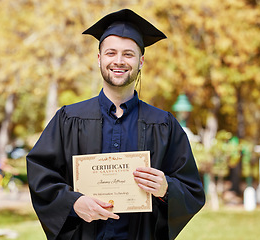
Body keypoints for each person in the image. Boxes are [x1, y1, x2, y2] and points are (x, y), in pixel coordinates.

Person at [26, 9, 205, 240]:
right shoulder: (68, 119)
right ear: (99, 58)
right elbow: (41, 175)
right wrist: (73, 203)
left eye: (128, 54)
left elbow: (192, 190)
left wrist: (166, 189)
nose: (119, 61)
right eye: (111, 53)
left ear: (140, 61)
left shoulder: (163, 125)